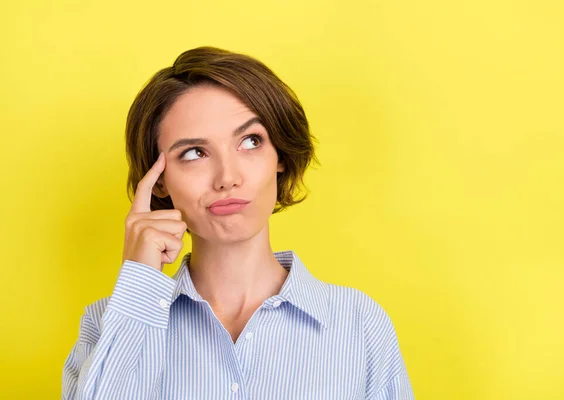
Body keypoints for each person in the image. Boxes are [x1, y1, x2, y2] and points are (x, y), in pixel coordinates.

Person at [61, 46, 415, 399]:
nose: (227, 177)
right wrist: (139, 282)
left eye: (250, 141)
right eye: (194, 153)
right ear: (160, 180)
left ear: (280, 155)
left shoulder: (360, 324)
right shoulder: (107, 323)